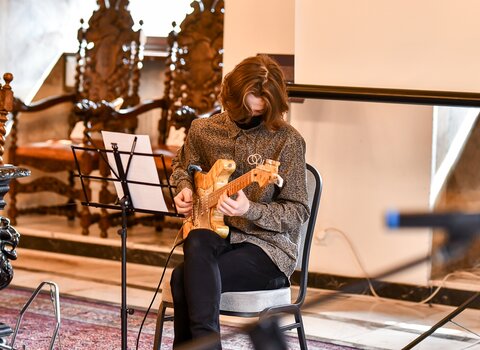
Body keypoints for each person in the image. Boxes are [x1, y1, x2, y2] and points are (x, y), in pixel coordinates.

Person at [169, 54, 310, 349]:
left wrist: (251, 209)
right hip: (215, 236)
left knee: (184, 279)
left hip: (267, 249)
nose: (249, 120)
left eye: (257, 115)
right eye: (242, 113)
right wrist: (182, 188)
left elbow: (298, 210)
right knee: (196, 241)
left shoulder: (287, 140)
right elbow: (182, 167)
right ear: (228, 97)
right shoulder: (203, 130)